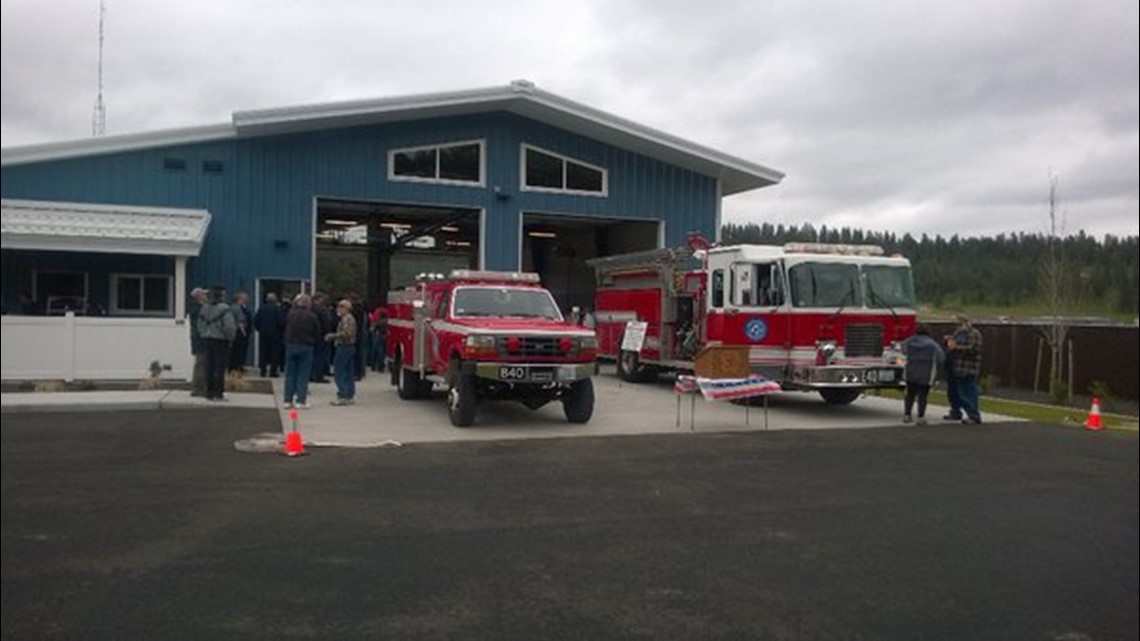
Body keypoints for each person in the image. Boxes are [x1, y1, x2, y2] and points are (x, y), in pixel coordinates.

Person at [198, 285, 237, 401]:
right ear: (222, 296)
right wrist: (231, 338)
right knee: (220, 368)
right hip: (221, 341)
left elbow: (200, 324)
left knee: (209, 367)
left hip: (207, 339)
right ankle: (218, 393)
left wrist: (203, 333)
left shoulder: (204, 308)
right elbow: (229, 327)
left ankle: (209, 392)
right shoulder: (225, 309)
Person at [901, 324, 945, 425]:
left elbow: (903, 351)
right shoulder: (932, 344)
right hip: (926, 372)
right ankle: (921, 417)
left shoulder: (909, 341)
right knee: (923, 396)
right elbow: (941, 358)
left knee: (910, 394)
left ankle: (907, 415)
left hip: (911, 371)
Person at [283, 293, 319, 409]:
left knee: (290, 374)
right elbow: (317, 331)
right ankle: (300, 400)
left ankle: (287, 400)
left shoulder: (290, 315)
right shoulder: (312, 316)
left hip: (291, 344)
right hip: (306, 345)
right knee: (303, 374)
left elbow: (284, 327)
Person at [946, 314, 984, 424]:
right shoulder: (958, 333)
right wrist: (948, 342)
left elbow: (974, 349)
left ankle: (973, 415)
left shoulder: (974, 334)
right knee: (953, 392)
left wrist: (956, 348)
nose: (956, 325)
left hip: (967, 368)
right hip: (954, 367)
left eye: (957, 323)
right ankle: (955, 412)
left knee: (967, 392)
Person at [326, 298, 359, 405]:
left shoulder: (347, 319)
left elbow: (346, 333)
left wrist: (333, 336)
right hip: (349, 347)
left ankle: (343, 395)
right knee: (348, 372)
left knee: (340, 371)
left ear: (346, 308)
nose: (338, 309)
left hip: (344, 346)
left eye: (340, 307)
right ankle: (349, 394)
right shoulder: (349, 318)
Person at [253, 293, 284, 377]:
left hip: (263, 333)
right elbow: (281, 321)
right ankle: (273, 371)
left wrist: (260, 329)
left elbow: (255, 321)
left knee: (263, 352)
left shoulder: (261, 308)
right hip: (275, 334)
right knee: (274, 352)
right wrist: (280, 331)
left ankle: (263, 370)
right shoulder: (277, 309)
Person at [188, 287, 210, 397]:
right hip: (200, 339)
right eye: (204, 294)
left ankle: (197, 387)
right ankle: (198, 388)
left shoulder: (197, 308)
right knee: (201, 364)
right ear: (198, 297)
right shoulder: (198, 309)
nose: (206, 296)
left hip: (198, 338)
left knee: (201, 363)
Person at [228, 290, 253, 374]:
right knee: (238, 351)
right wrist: (244, 332)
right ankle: (236, 367)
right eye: (245, 297)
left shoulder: (239, 307)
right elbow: (240, 321)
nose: (247, 298)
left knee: (238, 351)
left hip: (238, 333)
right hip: (238, 333)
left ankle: (237, 366)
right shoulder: (237, 308)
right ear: (240, 298)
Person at [369, 305, 388, 373]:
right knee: (384, 352)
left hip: (380, 336)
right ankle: (382, 366)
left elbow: (373, 329)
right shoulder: (388, 321)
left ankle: (376, 365)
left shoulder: (379, 322)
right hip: (386, 337)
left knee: (379, 351)